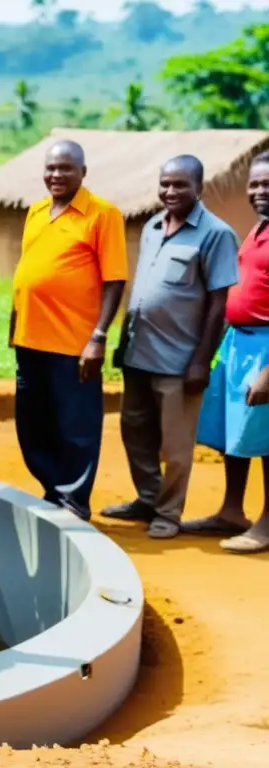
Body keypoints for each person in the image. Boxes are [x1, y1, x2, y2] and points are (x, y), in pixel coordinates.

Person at [102, 156, 239, 539]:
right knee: (135, 431)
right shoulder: (151, 226)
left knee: (176, 448)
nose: (170, 192)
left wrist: (201, 361)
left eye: (180, 185)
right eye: (165, 184)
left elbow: (217, 304)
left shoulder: (216, 234)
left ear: (199, 188)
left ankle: (168, 512)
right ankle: (147, 498)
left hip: (179, 361)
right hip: (138, 354)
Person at [11, 140, 128, 521]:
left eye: (65, 168)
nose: (56, 175)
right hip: (29, 339)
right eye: (51, 168)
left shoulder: (102, 214)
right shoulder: (37, 210)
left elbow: (114, 280)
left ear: (83, 172)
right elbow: (28, 271)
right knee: (33, 423)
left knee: (75, 425)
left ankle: (74, 500)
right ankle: (52, 488)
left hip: (74, 342)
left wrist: (98, 337)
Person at [181, 152, 269, 554]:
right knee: (236, 433)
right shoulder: (257, 231)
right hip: (239, 345)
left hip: (264, 350)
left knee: (266, 439)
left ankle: (268, 523)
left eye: (267, 184)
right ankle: (231, 511)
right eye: (254, 184)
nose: (259, 191)